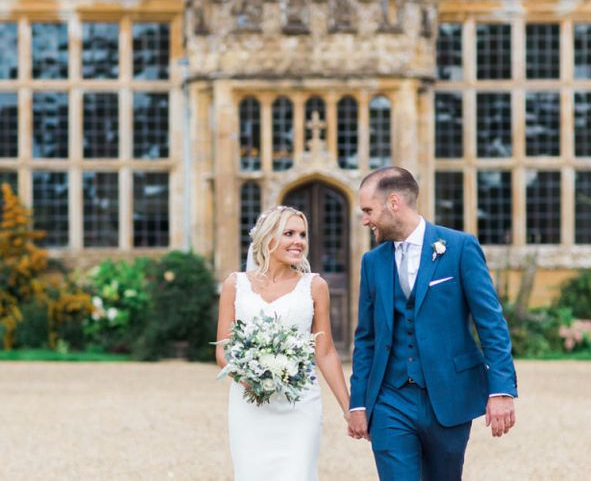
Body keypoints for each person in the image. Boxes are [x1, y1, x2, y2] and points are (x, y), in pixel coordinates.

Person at [348, 167, 517, 480]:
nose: (365, 220)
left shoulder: (459, 247)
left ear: (394, 202)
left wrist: (502, 390)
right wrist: (358, 402)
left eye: (368, 210)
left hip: (449, 395)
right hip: (389, 399)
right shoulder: (372, 262)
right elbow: (367, 338)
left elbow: (491, 323)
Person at [216, 205, 350, 481]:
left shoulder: (315, 286)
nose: (298, 241)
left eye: (302, 234)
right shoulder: (234, 284)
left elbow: (324, 352)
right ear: (267, 238)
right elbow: (223, 349)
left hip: (299, 403)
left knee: (297, 473)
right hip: (249, 403)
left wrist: (349, 409)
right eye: (289, 233)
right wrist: (249, 378)